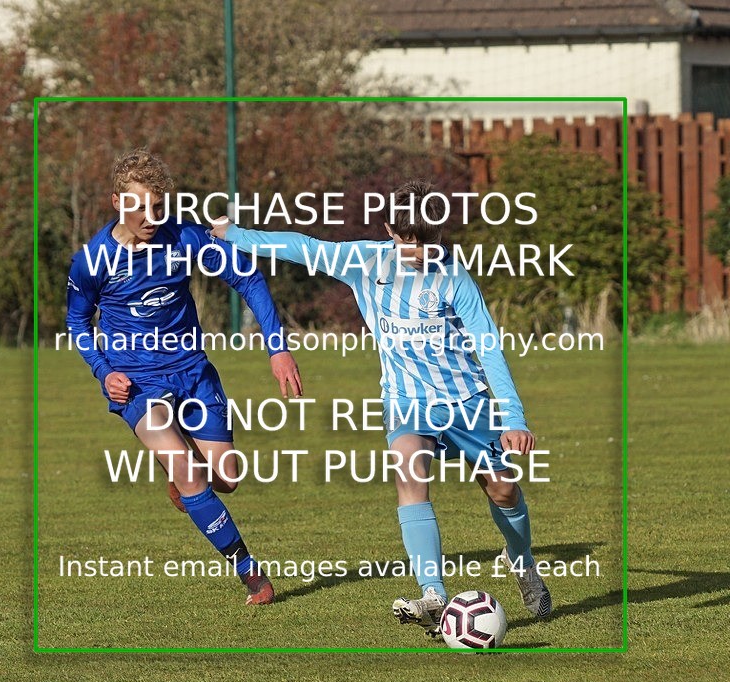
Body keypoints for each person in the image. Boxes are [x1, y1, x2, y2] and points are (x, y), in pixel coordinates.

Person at [210, 179, 551, 634]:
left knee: (503, 489)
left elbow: (487, 346)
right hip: (407, 402)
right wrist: (236, 235)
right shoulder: (364, 261)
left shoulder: (454, 276)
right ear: (390, 229)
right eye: (411, 242)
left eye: (429, 240)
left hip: (467, 401)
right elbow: (301, 246)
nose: (421, 251)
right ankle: (434, 595)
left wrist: (513, 418)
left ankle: (521, 560)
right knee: (410, 477)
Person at [66, 148, 302, 606]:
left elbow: (247, 278)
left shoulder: (184, 239)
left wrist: (278, 348)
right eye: (139, 208)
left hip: (193, 373)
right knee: (190, 472)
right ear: (117, 202)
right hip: (136, 384)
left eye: (158, 207)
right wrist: (104, 371)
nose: (151, 217)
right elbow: (78, 323)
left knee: (227, 477)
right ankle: (251, 573)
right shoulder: (92, 261)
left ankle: (185, 478)